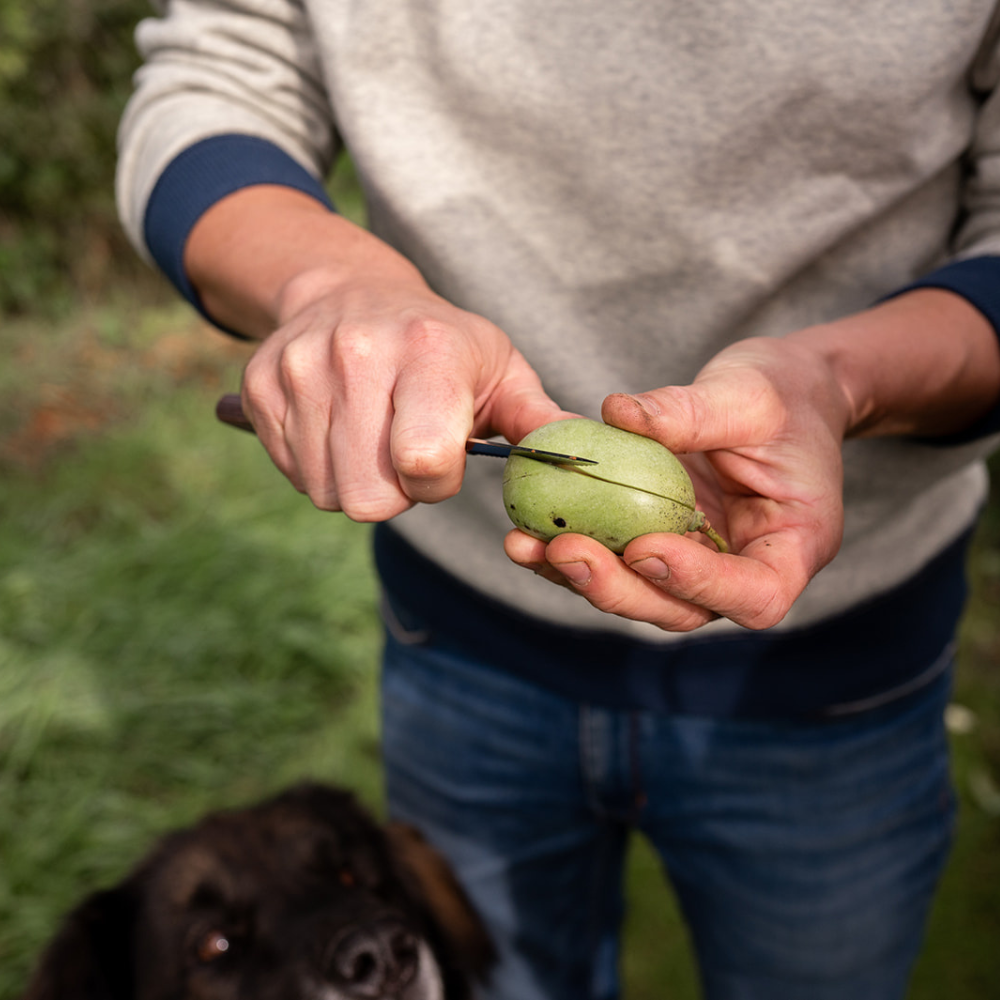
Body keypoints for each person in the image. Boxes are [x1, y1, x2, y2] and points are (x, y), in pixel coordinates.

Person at [117, 2, 1000, 998]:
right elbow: (215, 77)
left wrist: (842, 383)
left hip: (838, 671)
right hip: (459, 638)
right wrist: (329, 281)